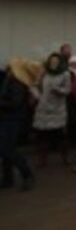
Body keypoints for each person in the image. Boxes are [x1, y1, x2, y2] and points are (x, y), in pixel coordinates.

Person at [32, 53, 72, 168]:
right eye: (51, 61)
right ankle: (42, 161)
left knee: (61, 137)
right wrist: (38, 96)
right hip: (43, 109)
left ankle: (65, 158)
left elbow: (68, 90)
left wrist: (58, 90)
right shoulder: (44, 72)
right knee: (42, 137)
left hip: (57, 110)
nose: (53, 63)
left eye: (55, 61)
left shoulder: (65, 74)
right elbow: (35, 85)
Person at [0, 61, 35, 191]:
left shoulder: (17, 83)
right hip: (7, 119)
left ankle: (27, 175)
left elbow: (15, 103)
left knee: (7, 149)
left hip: (12, 119)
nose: (7, 68)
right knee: (5, 150)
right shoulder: (9, 80)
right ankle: (7, 179)